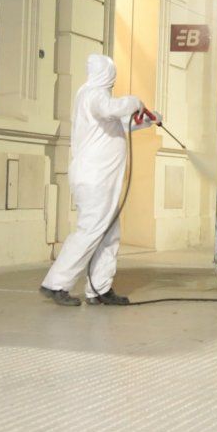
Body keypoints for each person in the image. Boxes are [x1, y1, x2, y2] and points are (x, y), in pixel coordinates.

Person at [40, 54, 148, 306]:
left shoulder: (97, 98)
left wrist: (146, 121)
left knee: (109, 234)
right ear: (108, 74)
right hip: (95, 181)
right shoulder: (93, 94)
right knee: (89, 231)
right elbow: (111, 109)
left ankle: (99, 288)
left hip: (103, 182)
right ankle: (55, 284)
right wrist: (134, 101)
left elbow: (117, 123)